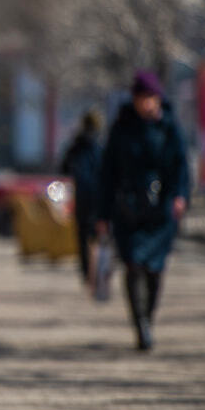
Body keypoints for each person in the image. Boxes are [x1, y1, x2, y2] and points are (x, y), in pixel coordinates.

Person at [97, 70, 189, 351]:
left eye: (150, 98)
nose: (145, 103)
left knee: (155, 270)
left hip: (160, 208)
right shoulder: (122, 127)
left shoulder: (170, 127)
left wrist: (180, 196)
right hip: (129, 208)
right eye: (140, 98)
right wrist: (102, 214)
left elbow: (181, 166)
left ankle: (148, 316)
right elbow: (107, 172)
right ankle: (141, 326)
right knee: (133, 264)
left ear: (157, 98)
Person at [61, 109, 104, 283]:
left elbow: (63, 168)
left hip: (82, 197)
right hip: (98, 198)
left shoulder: (76, 146)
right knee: (97, 236)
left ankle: (87, 273)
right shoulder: (99, 146)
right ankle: (96, 272)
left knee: (83, 237)